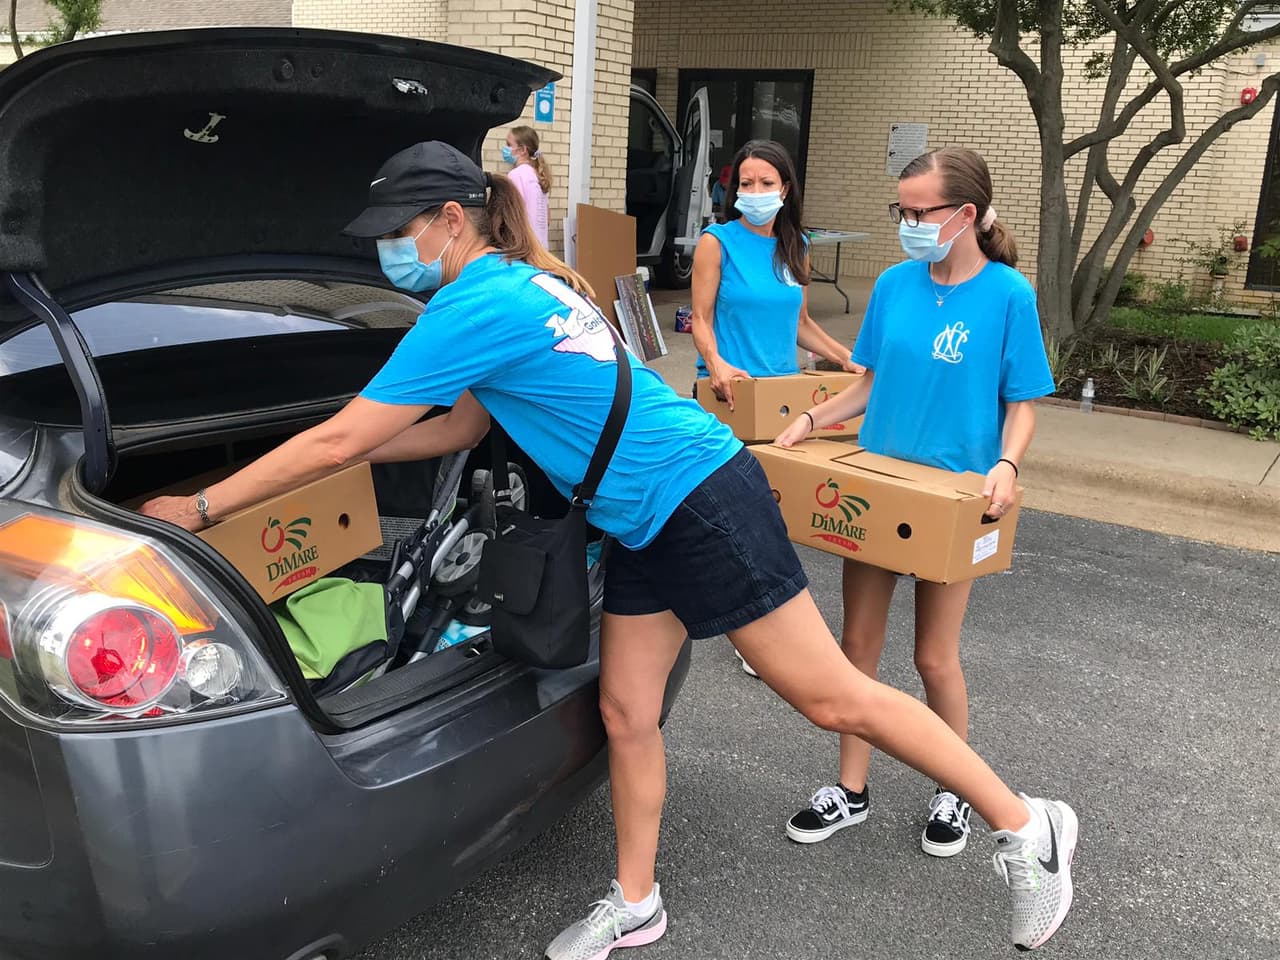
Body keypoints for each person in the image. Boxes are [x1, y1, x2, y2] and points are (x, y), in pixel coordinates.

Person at [139, 141, 1077, 958]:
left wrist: (211, 501)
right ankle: (637, 903)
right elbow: (463, 428)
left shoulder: (475, 305)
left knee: (830, 692)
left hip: (701, 496)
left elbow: (345, 437)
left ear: (451, 222)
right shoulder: (521, 283)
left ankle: (1026, 824)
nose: (387, 248)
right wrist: (338, 456)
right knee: (627, 710)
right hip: (640, 515)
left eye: (399, 228)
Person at [775, 147, 1057, 865]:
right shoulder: (897, 285)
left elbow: (1022, 405)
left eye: (918, 211)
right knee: (855, 651)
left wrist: (1006, 463)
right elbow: (867, 385)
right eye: (900, 211)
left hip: (951, 502)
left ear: (964, 215)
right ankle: (851, 789)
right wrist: (811, 420)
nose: (907, 223)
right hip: (878, 488)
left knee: (934, 656)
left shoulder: (1007, 295)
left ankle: (951, 788)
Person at [690, 139, 860, 678]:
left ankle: (761, 618)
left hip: (785, 397)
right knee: (751, 513)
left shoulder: (797, 246)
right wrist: (715, 363)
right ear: (732, 188)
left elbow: (803, 324)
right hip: (734, 397)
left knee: (776, 513)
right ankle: (758, 633)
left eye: (766, 183)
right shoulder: (716, 243)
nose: (755, 193)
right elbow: (699, 318)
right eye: (746, 183)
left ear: (786, 189)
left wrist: (848, 360)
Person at [503, 124, 551, 248]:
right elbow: (547, 219)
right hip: (541, 248)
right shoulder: (539, 176)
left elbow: (512, 216)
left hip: (524, 248)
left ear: (523, 150)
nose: (505, 148)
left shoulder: (516, 175)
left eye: (509, 145)